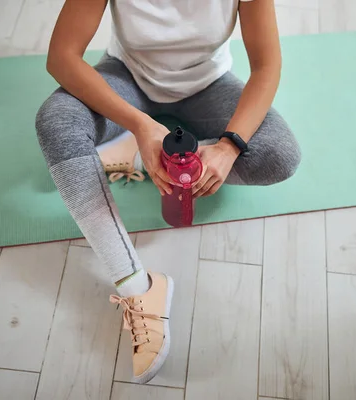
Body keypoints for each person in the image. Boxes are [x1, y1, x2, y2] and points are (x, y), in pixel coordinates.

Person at [35, 0, 301, 384]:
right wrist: (141, 126)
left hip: (209, 85)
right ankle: (138, 286)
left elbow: (266, 65)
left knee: (279, 156)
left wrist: (228, 146)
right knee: (56, 121)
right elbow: (60, 57)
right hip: (128, 79)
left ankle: (138, 157)